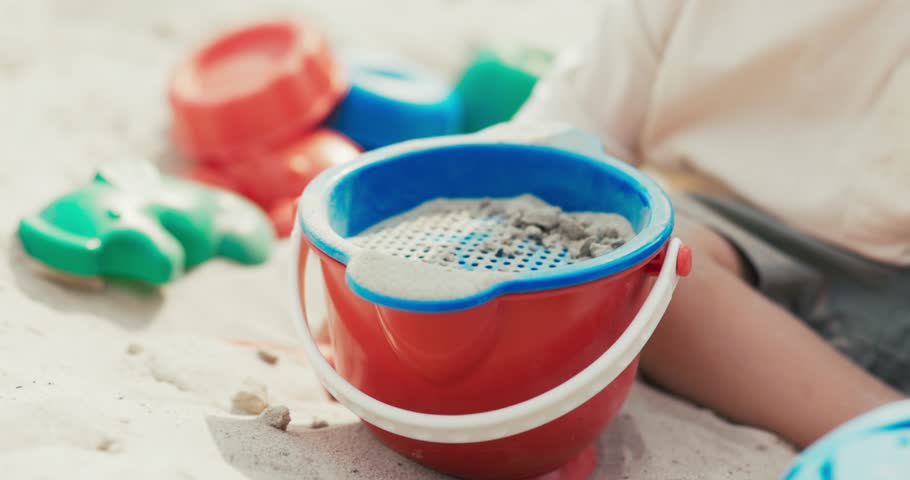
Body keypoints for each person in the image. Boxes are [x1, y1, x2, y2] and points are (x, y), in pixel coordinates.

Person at [515, 0, 909, 448]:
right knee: (644, 265)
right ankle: (885, 431)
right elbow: (569, 129)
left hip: (882, 278)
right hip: (712, 225)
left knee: (651, 270)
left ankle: (888, 436)